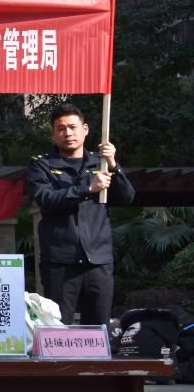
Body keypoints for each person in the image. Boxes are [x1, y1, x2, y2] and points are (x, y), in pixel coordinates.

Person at [27, 102, 135, 326]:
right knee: (58, 328)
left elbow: (127, 197)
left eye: (73, 127)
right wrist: (86, 188)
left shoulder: (100, 162)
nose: (68, 133)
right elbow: (46, 200)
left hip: (98, 260)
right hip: (60, 262)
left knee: (98, 328)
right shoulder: (42, 165)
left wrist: (113, 164)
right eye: (61, 128)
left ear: (85, 129)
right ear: (52, 134)